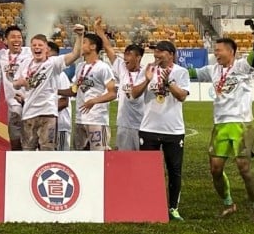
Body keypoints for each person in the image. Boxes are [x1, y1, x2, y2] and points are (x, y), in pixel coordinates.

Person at [192, 29, 254, 221]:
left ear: (231, 51)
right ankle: (228, 203)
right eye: (214, 51)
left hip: (241, 124)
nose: (216, 53)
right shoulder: (212, 70)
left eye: (219, 50)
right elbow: (192, 73)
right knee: (215, 169)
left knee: (243, 167)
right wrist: (171, 68)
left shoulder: (242, 67)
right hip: (220, 125)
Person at [130, 40, 190, 221]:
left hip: (173, 130)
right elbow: (134, 94)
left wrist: (168, 81)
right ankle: (149, 206)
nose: (156, 55)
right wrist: (147, 79)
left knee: (174, 171)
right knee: (147, 171)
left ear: (171, 54)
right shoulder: (147, 70)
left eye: (161, 52)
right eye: (155, 52)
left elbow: (181, 96)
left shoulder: (181, 72)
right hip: (148, 128)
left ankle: (173, 208)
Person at [12, 27, 83, 151]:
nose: (37, 47)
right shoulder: (25, 64)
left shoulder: (53, 63)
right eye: (34, 45)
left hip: (48, 113)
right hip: (29, 113)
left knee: (47, 149)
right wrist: (20, 82)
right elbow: (15, 84)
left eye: (40, 45)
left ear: (46, 49)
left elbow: (75, 54)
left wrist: (80, 36)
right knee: (27, 150)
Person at [95, 18, 145, 151]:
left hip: (144, 124)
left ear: (138, 57)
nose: (125, 58)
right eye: (124, 54)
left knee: (143, 159)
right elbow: (108, 48)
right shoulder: (122, 67)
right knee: (124, 158)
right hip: (124, 124)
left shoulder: (147, 72)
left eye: (129, 55)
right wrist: (99, 30)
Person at [65, 32, 117, 151]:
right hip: (79, 119)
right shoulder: (80, 67)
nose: (80, 45)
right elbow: (74, 90)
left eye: (83, 43)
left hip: (97, 119)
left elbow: (112, 93)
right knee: (79, 157)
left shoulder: (103, 67)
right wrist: (54, 91)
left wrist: (94, 101)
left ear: (93, 47)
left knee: (99, 156)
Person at [0, 25, 30, 150]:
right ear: (5, 40)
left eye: (19, 37)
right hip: (13, 106)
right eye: (13, 37)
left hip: (30, 104)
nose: (17, 40)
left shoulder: (30, 52)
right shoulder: (0, 55)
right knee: (15, 142)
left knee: (31, 141)